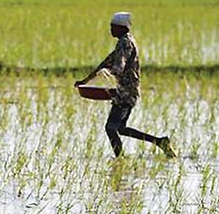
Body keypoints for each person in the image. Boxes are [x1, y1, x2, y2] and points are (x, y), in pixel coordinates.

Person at [75, 12, 176, 159]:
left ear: (121, 27)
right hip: (126, 91)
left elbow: (118, 65)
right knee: (120, 128)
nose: (111, 30)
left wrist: (109, 74)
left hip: (126, 93)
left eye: (112, 27)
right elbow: (105, 63)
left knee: (111, 128)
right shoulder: (123, 42)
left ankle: (120, 159)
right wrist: (85, 81)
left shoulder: (125, 43)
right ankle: (160, 142)